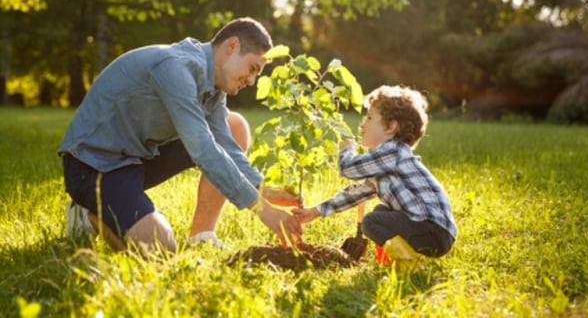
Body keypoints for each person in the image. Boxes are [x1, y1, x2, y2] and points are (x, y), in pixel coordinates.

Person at [59, 17, 303, 253]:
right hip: (93, 166)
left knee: (234, 126)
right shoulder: (177, 68)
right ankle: (87, 215)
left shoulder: (215, 88)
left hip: (136, 158)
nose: (251, 80)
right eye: (252, 68)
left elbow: (225, 144)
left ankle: (202, 236)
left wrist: (264, 189)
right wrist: (263, 211)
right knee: (161, 249)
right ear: (232, 46)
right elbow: (203, 149)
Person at [293, 85, 457, 268]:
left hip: (431, 229)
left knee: (371, 221)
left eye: (369, 118)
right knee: (380, 212)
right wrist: (314, 211)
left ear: (391, 127)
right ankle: (390, 262)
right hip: (434, 231)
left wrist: (348, 149)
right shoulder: (386, 162)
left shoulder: (392, 151)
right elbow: (355, 193)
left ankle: (407, 264)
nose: (362, 124)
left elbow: (348, 169)